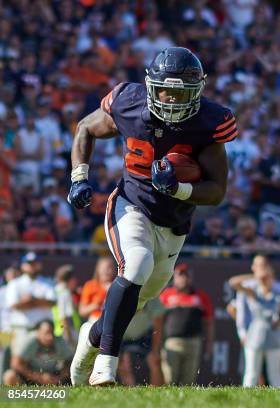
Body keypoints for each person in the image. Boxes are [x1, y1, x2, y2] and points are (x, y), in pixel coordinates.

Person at [68, 47, 237, 386]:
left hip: (173, 224)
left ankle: (91, 338)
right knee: (137, 263)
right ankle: (106, 366)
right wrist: (79, 177)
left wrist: (178, 189)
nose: (172, 100)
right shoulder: (128, 102)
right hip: (130, 203)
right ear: (150, 86)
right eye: (165, 90)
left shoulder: (209, 122)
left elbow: (217, 190)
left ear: (198, 91)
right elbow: (86, 128)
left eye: (181, 93)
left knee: (137, 299)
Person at [229, 255, 280, 388]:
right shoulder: (252, 291)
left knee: (275, 374)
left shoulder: (279, 292)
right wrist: (254, 276)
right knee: (251, 373)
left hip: (273, 336)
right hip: (255, 335)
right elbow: (233, 282)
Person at [159, 263, 214, 385]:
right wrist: (158, 343)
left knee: (188, 381)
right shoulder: (166, 295)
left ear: (191, 278)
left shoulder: (201, 296)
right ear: (174, 278)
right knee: (169, 379)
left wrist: (209, 344)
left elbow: (209, 322)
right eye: (180, 275)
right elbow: (158, 321)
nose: (183, 279)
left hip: (194, 343)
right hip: (171, 343)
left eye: (186, 276)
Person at [5, 252, 56, 355]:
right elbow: (14, 305)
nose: (32, 266)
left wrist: (31, 300)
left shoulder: (48, 282)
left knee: (44, 362)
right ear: (23, 266)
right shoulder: (15, 284)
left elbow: (52, 302)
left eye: (35, 263)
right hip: (22, 329)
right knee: (19, 360)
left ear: (39, 265)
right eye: (29, 263)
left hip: (43, 331)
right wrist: (39, 302)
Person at [3, 320, 72, 385]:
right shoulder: (29, 341)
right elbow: (15, 363)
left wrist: (59, 377)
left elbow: (71, 362)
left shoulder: (59, 341)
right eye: (46, 333)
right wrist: (38, 377)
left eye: (52, 333)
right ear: (38, 332)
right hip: (30, 376)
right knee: (9, 376)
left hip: (54, 376)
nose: (50, 337)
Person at [79, 257, 116, 322]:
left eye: (109, 268)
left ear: (114, 270)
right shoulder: (90, 285)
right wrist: (96, 305)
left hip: (114, 321)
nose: (106, 271)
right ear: (98, 269)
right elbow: (82, 311)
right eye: (103, 268)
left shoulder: (119, 285)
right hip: (95, 320)